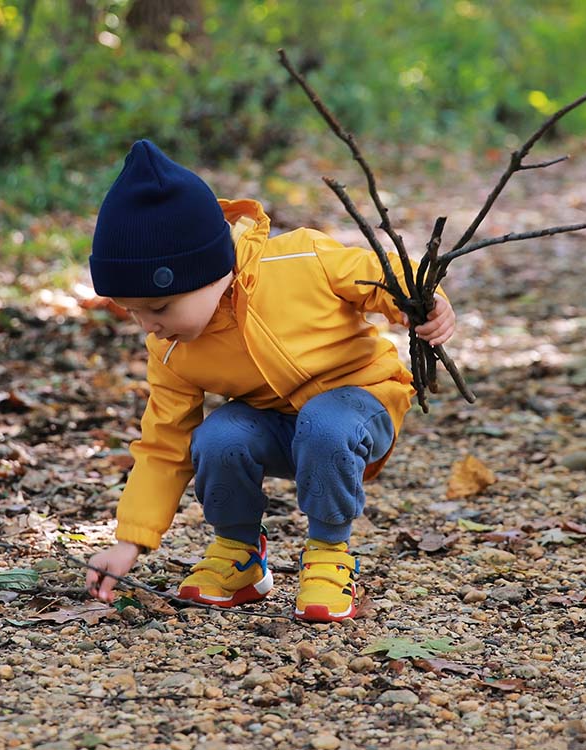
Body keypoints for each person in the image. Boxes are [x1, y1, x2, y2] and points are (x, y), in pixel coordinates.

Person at [84, 139, 456, 622]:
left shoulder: (299, 261)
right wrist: (128, 542)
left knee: (326, 423)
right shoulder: (172, 346)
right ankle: (238, 552)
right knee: (218, 436)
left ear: (212, 271)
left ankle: (328, 551)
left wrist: (423, 302)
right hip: (278, 426)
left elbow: (376, 276)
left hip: (361, 404)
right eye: (132, 312)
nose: (148, 325)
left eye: (158, 307)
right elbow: (163, 444)